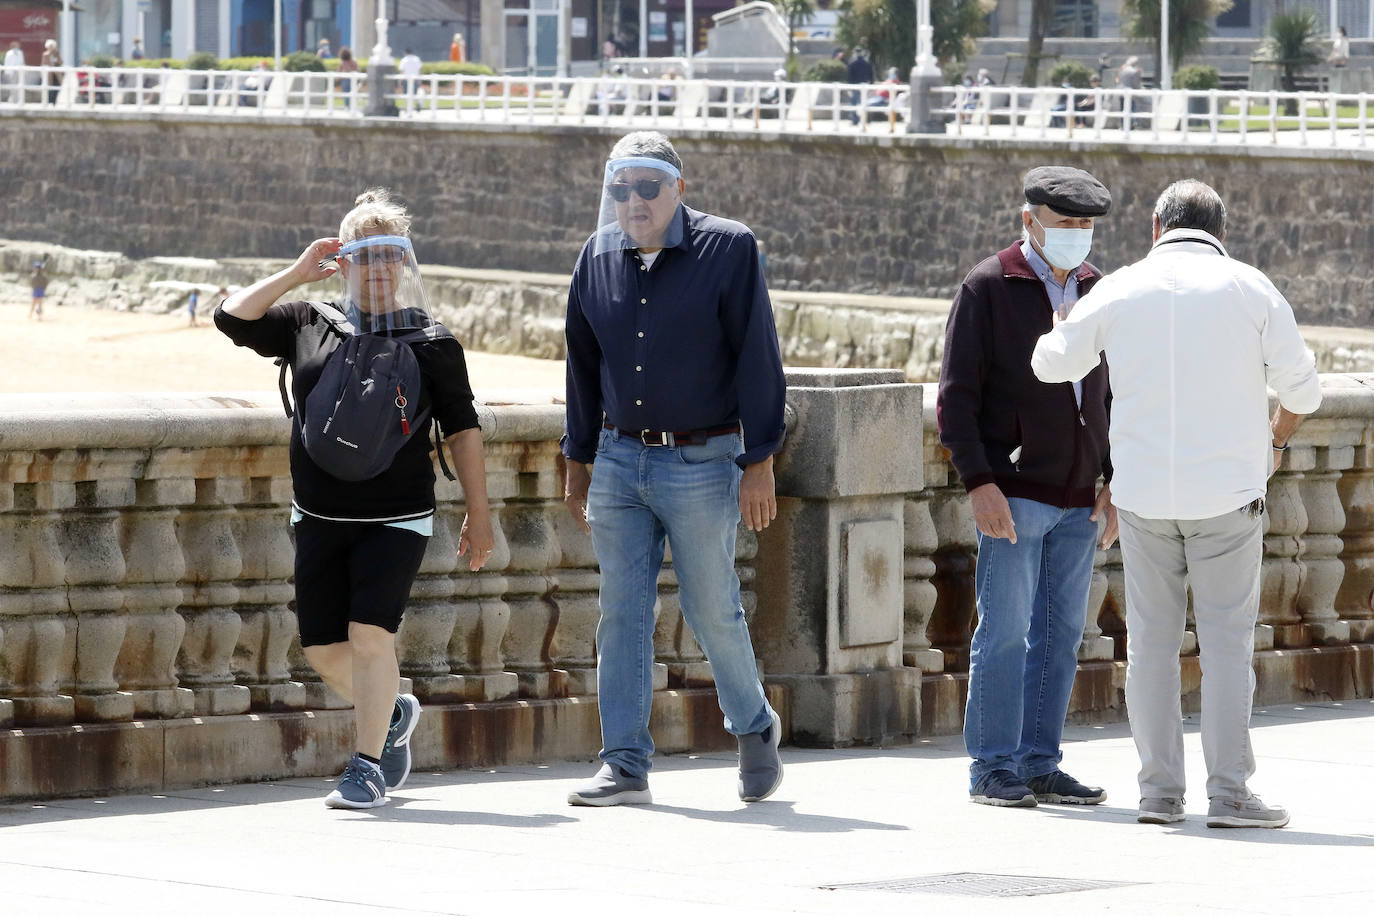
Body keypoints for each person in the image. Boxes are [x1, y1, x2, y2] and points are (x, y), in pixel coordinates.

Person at [1031, 180, 1321, 829]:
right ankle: (1230, 794)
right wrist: (1274, 441)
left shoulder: (1121, 287)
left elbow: (1051, 365)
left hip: (1141, 498)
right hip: (1228, 496)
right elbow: (1305, 389)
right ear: (1221, 230)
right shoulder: (1251, 289)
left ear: (1155, 227)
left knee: (1151, 649)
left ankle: (1159, 795)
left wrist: (1060, 328)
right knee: (1226, 648)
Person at [214, 188, 495, 809]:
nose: (380, 268)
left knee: (372, 637)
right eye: (366, 255)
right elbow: (232, 318)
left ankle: (365, 766)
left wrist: (481, 512)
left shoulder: (433, 342)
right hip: (317, 515)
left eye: (391, 255)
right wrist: (296, 271)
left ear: (404, 263)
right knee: (321, 648)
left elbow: (463, 429)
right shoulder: (309, 323)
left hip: (397, 519)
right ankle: (391, 712)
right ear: (344, 261)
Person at [561, 131, 787, 807]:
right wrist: (578, 458)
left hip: (703, 459)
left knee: (712, 608)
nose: (634, 201)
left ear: (678, 191)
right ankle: (624, 762)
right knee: (621, 614)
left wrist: (760, 460)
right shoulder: (594, 256)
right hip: (619, 460)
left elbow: (758, 358)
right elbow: (580, 365)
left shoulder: (729, 248)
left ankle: (753, 727)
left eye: (648, 187)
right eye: (621, 189)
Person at [937, 166, 1115, 809]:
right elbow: (956, 397)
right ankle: (992, 767)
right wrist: (979, 483)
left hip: (1080, 497)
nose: (1077, 236)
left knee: (1063, 636)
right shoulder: (988, 286)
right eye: (1065, 223)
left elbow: (1119, 393)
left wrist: (1114, 480)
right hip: (1013, 491)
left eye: (1086, 226)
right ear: (1029, 220)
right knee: (1004, 632)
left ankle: (1040, 763)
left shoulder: (1100, 290)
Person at [845, 47, 873, 124]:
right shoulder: (867, 63)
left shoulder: (852, 63)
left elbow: (849, 77)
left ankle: (855, 120)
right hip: (865, 85)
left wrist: (849, 87)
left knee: (854, 103)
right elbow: (871, 75)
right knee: (865, 103)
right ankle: (866, 119)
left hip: (855, 86)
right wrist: (871, 85)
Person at [1117, 55, 1145, 130]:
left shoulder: (1122, 70)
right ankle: (1131, 125)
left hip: (1121, 91)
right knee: (1131, 108)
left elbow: (1118, 80)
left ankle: (1122, 125)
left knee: (1122, 108)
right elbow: (1136, 85)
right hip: (1130, 93)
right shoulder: (1134, 71)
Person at [40, 38, 61, 105]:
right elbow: (43, 63)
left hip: (56, 74)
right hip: (49, 74)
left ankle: (54, 102)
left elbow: (61, 62)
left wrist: (57, 57)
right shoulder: (45, 54)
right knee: (49, 89)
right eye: (50, 46)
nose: (52, 48)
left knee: (56, 87)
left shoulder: (56, 54)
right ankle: (49, 102)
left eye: (52, 46)